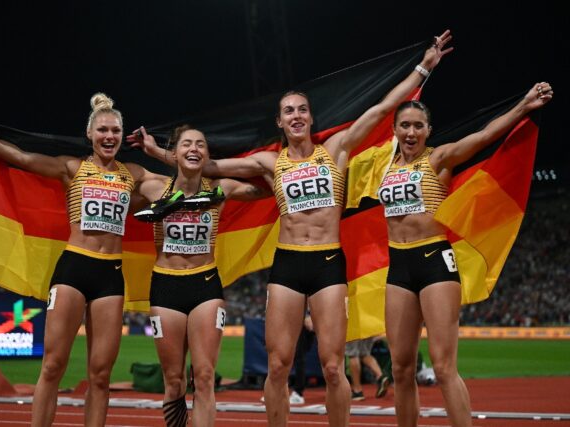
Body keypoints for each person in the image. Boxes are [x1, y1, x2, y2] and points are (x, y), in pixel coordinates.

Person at [144, 30, 454, 426]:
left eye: (302, 110)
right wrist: (161, 154)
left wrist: (424, 67)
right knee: (278, 365)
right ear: (280, 121)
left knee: (331, 365)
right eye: (288, 111)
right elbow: (205, 166)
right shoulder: (269, 162)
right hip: (287, 265)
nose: (296, 116)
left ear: (310, 117)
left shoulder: (338, 148)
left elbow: (382, 109)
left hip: (327, 264)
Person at [0, 93, 160, 427]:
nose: (109, 136)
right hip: (74, 268)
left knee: (101, 375)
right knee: (52, 366)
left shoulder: (133, 173)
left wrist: (156, 151)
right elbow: (21, 157)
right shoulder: (72, 167)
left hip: (111, 275)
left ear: (123, 135)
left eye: (116, 131)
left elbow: (177, 185)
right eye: (103, 130)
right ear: (89, 134)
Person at [379, 82, 553, 427]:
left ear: (428, 131)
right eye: (405, 125)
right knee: (401, 369)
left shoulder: (440, 158)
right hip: (397, 266)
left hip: (434, 261)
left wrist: (524, 105)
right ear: (395, 130)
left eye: (418, 126)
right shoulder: (382, 167)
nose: (411, 132)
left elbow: (485, 135)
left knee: (443, 368)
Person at [129, 125, 270, 426]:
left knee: (204, 376)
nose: (194, 149)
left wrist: (205, 166)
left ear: (207, 154)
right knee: (174, 380)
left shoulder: (221, 189)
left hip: (205, 285)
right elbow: (114, 186)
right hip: (165, 287)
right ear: (175, 151)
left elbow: (269, 186)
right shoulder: (154, 188)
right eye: (186, 145)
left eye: (200, 145)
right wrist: (155, 153)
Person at [345, 336, 389, 401]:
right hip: (367, 328)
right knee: (364, 354)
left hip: (353, 328)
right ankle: (381, 377)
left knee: (353, 355)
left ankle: (357, 391)